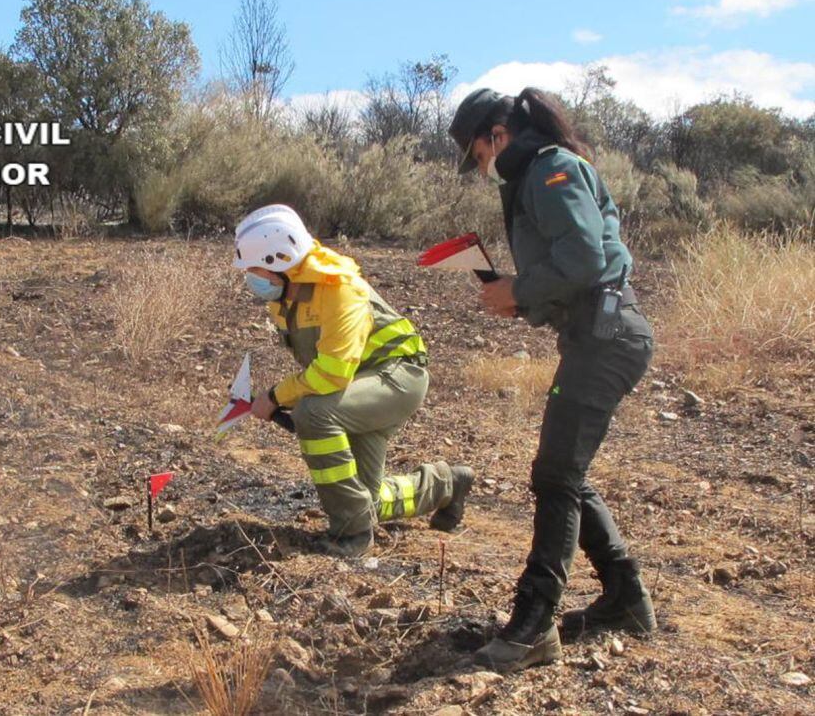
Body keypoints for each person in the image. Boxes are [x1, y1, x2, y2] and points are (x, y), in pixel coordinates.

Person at [447, 87, 656, 672]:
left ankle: (534, 625)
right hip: (596, 334)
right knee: (565, 471)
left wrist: (520, 289)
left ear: (497, 135)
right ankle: (624, 599)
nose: (482, 167)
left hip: (608, 338)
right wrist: (521, 297)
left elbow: (589, 261)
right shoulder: (540, 172)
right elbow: (573, 268)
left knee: (556, 475)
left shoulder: (550, 169)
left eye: (478, 154)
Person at [233, 204, 475, 558]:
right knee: (365, 498)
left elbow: (330, 373)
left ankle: (352, 535)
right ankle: (447, 484)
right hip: (359, 385)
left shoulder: (337, 288)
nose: (250, 278)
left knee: (313, 413)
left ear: (279, 260)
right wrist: (283, 402)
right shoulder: (286, 296)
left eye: (254, 269)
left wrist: (276, 396)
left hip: (397, 378)